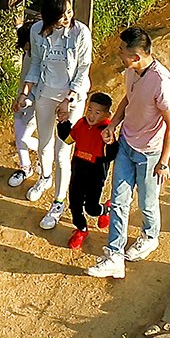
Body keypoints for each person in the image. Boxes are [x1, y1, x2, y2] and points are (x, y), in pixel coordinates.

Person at [88, 27, 170, 280]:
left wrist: (163, 162)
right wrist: (113, 125)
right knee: (118, 200)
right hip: (127, 145)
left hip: (150, 153)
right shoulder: (132, 71)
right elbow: (127, 100)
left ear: (137, 56)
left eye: (123, 52)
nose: (119, 54)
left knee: (147, 203)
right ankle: (114, 256)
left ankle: (150, 236)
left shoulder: (162, 83)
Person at [18, 0, 92, 231]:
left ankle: (59, 202)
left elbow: (83, 69)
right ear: (50, 17)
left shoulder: (80, 32)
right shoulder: (37, 31)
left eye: (69, 12)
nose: (67, 18)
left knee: (63, 152)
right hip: (45, 96)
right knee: (43, 144)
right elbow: (36, 64)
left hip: (71, 100)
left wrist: (69, 100)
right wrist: (25, 92)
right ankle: (45, 178)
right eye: (61, 15)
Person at [57, 92, 117, 250]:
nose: (91, 115)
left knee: (91, 208)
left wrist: (110, 142)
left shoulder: (106, 130)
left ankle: (106, 209)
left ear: (107, 114)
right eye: (90, 109)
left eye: (97, 112)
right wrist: (63, 122)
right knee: (74, 204)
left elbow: (111, 155)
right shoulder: (81, 123)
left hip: (95, 175)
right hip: (77, 171)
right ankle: (81, 230)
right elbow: (68, 139)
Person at [8, 17, 40, 189]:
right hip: (21, 96)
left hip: (33, 102)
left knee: (25, 137)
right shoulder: (29, 47)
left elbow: (39, 85)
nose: (24, 50)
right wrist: (18, 25)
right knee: (18, 133)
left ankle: (46, 154)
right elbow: (23, 31)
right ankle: (25, 167)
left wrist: (25, 101)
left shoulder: (42, 58)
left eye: (25, 46)